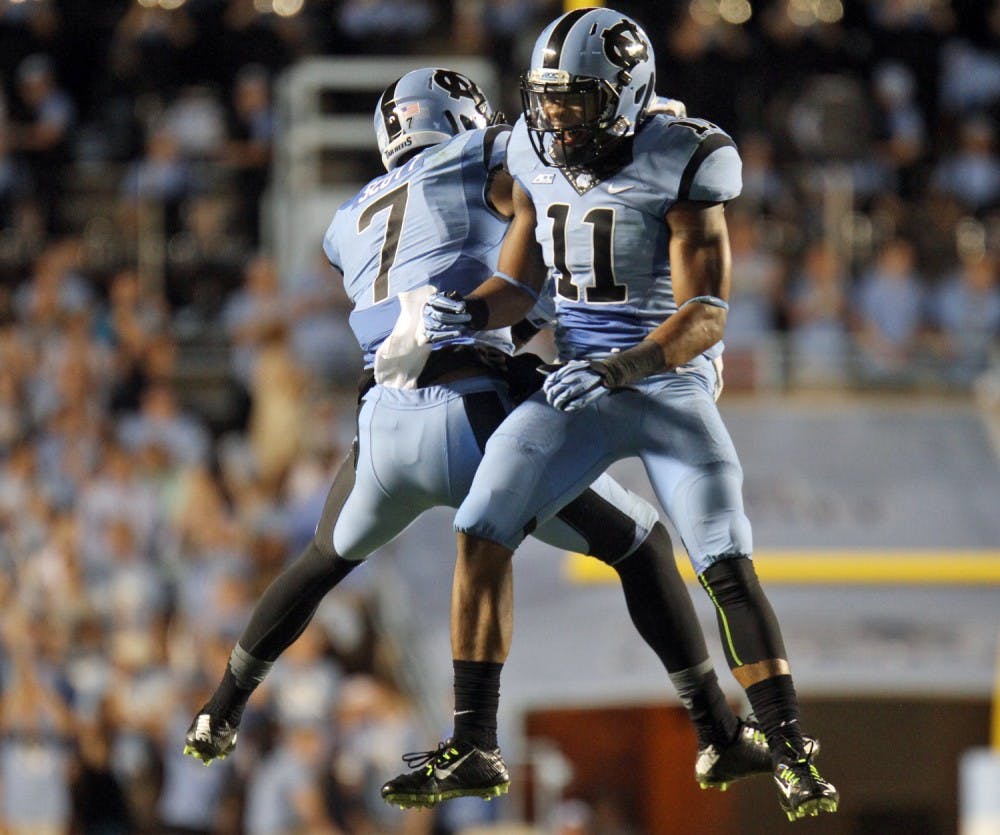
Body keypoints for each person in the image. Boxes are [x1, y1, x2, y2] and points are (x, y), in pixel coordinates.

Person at [183, 66, 774, 803]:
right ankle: (716, 731)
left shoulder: (345, 221)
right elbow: (554, 181)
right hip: (472, 411)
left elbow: (452, 269)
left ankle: (220, 707)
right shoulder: (487, 154)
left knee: (318, 563)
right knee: (642, 543)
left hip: (382, 431)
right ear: (461, 117)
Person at [394, 8, 839, 822]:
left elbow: (707, 313)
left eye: (578, 100)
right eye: (549, 99)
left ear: (629, 95)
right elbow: (522, 282)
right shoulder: (531, 150)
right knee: (482, 522)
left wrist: (617, 366)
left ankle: (787, 744)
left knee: (722, 557)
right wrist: (474, 312)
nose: (558, 117)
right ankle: (473, 738)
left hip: (663, 385)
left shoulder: (684, 157)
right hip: (578, 384)